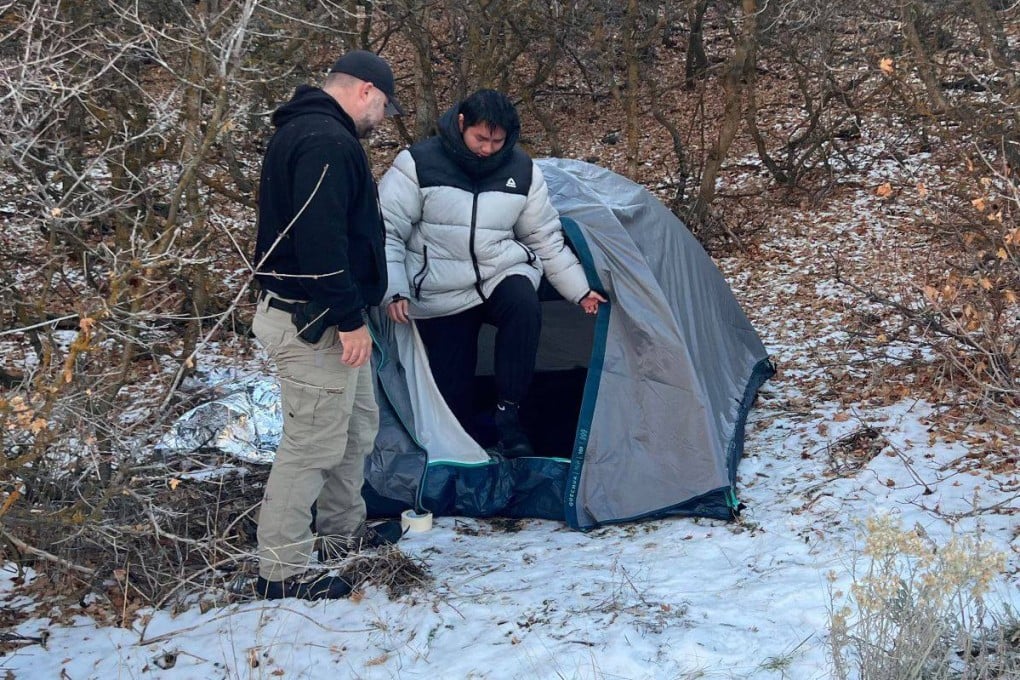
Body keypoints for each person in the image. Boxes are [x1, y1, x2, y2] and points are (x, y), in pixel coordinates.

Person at [250, 50, 404, 600]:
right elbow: (319, 247)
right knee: (312, 444)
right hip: (314, 323)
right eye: (383, 105)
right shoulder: (324, 142)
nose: (381, 118)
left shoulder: (315, 133)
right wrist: (347, 319)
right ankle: (281, 571)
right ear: (365, 90)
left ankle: (341, 533)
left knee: (357, 426)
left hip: (331, 318)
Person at [379, 89, 606, 458]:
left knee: (523, 303)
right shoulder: (417, 164)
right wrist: (395, 289)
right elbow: (387, 229)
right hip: (439, 287)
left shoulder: (521, 170)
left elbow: (544, 237)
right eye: (480, 139)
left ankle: (509, 412)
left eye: (497, 141)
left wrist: (580, 290)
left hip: (499, 272)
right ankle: (463, 440)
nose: (487, 149)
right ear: (461, 124)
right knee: (451, 393)